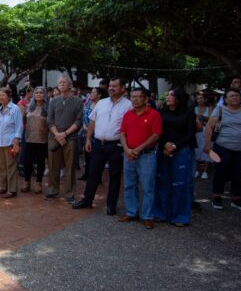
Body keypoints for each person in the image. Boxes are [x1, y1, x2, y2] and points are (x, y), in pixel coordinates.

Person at [73, 77, 133, 215]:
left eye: (115, 86)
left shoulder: (128, 106)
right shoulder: (101, 103)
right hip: (98, 144)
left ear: (122, 88)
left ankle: (111, 205)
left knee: (114, 176)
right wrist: (88, 139)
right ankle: (87, 200)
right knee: (93, 173)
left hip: (116, 145)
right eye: (110, 86)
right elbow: (92, 122)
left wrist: (125, 146)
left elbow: (129, 128)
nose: (111, 88)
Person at [204, 88, 241, 211]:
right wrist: (207, 145)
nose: (235, 98)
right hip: (223, 146)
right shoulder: (219, 110)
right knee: (220, 172)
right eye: (232, 96)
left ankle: (237, 198)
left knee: (239, 174)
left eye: (237, 96)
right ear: (225, 99)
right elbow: (209, 127)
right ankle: (217, 196)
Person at [119, 88, 161, 229]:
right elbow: (123, 133)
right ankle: (132, 212)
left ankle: (147, 216)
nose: (135, 99)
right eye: (133, 96)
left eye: (138, 97)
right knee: (129, 185)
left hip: (146, 155)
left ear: (146, 99)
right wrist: (126, 149)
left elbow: (155, 135)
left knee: (147, 186)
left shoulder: (154, 114)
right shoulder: (128, 114)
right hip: (129, 154)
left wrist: (137, 149)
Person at [153, 88, 196, 226]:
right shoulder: (162, 112)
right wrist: (165, 144)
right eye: (168, 94)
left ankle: (180, 216)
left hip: (182, 150)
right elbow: (157, 131)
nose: (168, 97)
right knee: (161, 182)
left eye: (172, 95)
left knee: (180, 184)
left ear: (179, 98)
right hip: (163, 150)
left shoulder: (188, 114)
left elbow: (190, 133)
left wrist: (174, 146)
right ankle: (160, 213)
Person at [46, 75, 84, 201]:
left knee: (70, 167)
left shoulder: (78, 101)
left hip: (71, 138)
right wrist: (57, 134)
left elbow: (79, 121)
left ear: (69, 85)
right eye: (59, 82)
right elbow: (49, 120)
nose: (61, 84)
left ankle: (69, 192)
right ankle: (53, 189)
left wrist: (65, 134)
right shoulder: (53, 101)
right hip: (54, 137)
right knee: (53, 165)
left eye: (64, 82)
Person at [0, 86, 23, 198]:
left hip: (10, 143)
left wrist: (16, 142)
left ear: (9, 97)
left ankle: (12, 190)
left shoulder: (15, 109)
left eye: (3, 95)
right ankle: (3, 187)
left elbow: (19, 127)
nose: (0, 97)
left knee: (11, 167)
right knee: (3, 166)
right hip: (0, 142)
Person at [22, 86, 49, 194]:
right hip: (29, 138)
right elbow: (24, 120)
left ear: (45, 95)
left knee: (40, 162)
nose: (38, 94)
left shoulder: (48, 108)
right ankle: (26, 182)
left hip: (42, 139)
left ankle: (38, 183)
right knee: (27, 162)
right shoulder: (29, 107)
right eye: (36, 92)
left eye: (41, 92)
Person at [80, 87, 102, 181]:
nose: (91, 94)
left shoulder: (101, 105)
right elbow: (83, 115)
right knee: (87, 155)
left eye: (93, 92)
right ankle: (86, 174)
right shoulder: (88, 103)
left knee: (96, 157)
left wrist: (90, 128)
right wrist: (84, 125)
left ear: (99, 95)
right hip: (86, 133)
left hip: (96, 134)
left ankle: (97, 177)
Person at [193, 91, 213, 179]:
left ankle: (205, 171)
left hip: (207, 130)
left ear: (205, 99)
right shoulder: (194, 108)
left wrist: (200, 116)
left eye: (201, 98)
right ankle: (196, 170)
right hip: (197, 131)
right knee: (196, 149)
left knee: (207, 149)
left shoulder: (209, 108)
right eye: (197, 98)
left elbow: (211, 119)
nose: (199, 100)